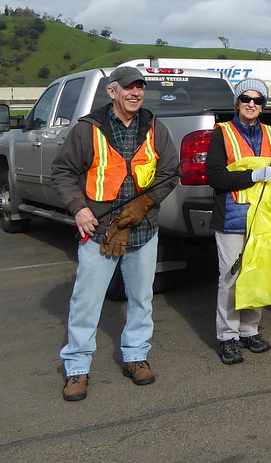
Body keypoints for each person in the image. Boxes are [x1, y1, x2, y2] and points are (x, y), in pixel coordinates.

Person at [51, 66, 180, 401]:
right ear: (112, 92)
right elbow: (63, 171)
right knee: (86, 301)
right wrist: (79, 208)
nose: (135, 93)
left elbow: (169, 173)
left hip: (143, 229)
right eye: (128, 88)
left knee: (142, 299)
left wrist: (147, 203)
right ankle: (77, 367)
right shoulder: (88, 130)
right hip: (99, 230)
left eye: (139, 88)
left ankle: (135, 357)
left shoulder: (154, 127)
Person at [205, 78, 271, 365]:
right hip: (232, 217)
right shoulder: (222, 133)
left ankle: (249, 330)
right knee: (232, 278)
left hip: (263, 219)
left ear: (263, 106)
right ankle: (227, 336)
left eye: (258, 100)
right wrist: (251, 176)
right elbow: (214, 175)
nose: (251, 104)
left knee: (255, 276)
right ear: (237, 103)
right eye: (246, 99)